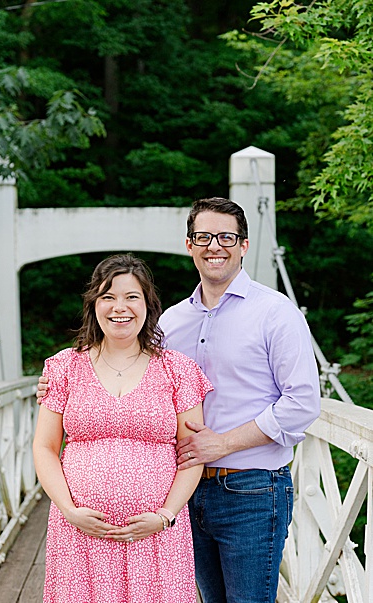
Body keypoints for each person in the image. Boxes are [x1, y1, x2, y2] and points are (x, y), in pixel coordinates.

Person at [160, 197, 321, 602]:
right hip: (184, 490)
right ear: (189, 244)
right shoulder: (169, 322)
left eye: (226, 236)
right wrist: (67, 382)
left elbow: (302, 404)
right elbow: (136, 381)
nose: (215, 245)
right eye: (204, 236)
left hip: (252, 490)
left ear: (244, 245)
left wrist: (223, 443)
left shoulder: (276, 313)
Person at [32, 254, 212, 603]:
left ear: (148, 305)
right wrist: (70, 511)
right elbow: (44, 447)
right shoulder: (63, 367)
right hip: (80, 534)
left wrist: (165, 516)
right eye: (108, 296)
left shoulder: (178, 370)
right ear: (94, 304)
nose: (120, 307)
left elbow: (193, 454)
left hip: (156, 537)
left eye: (132, 297)